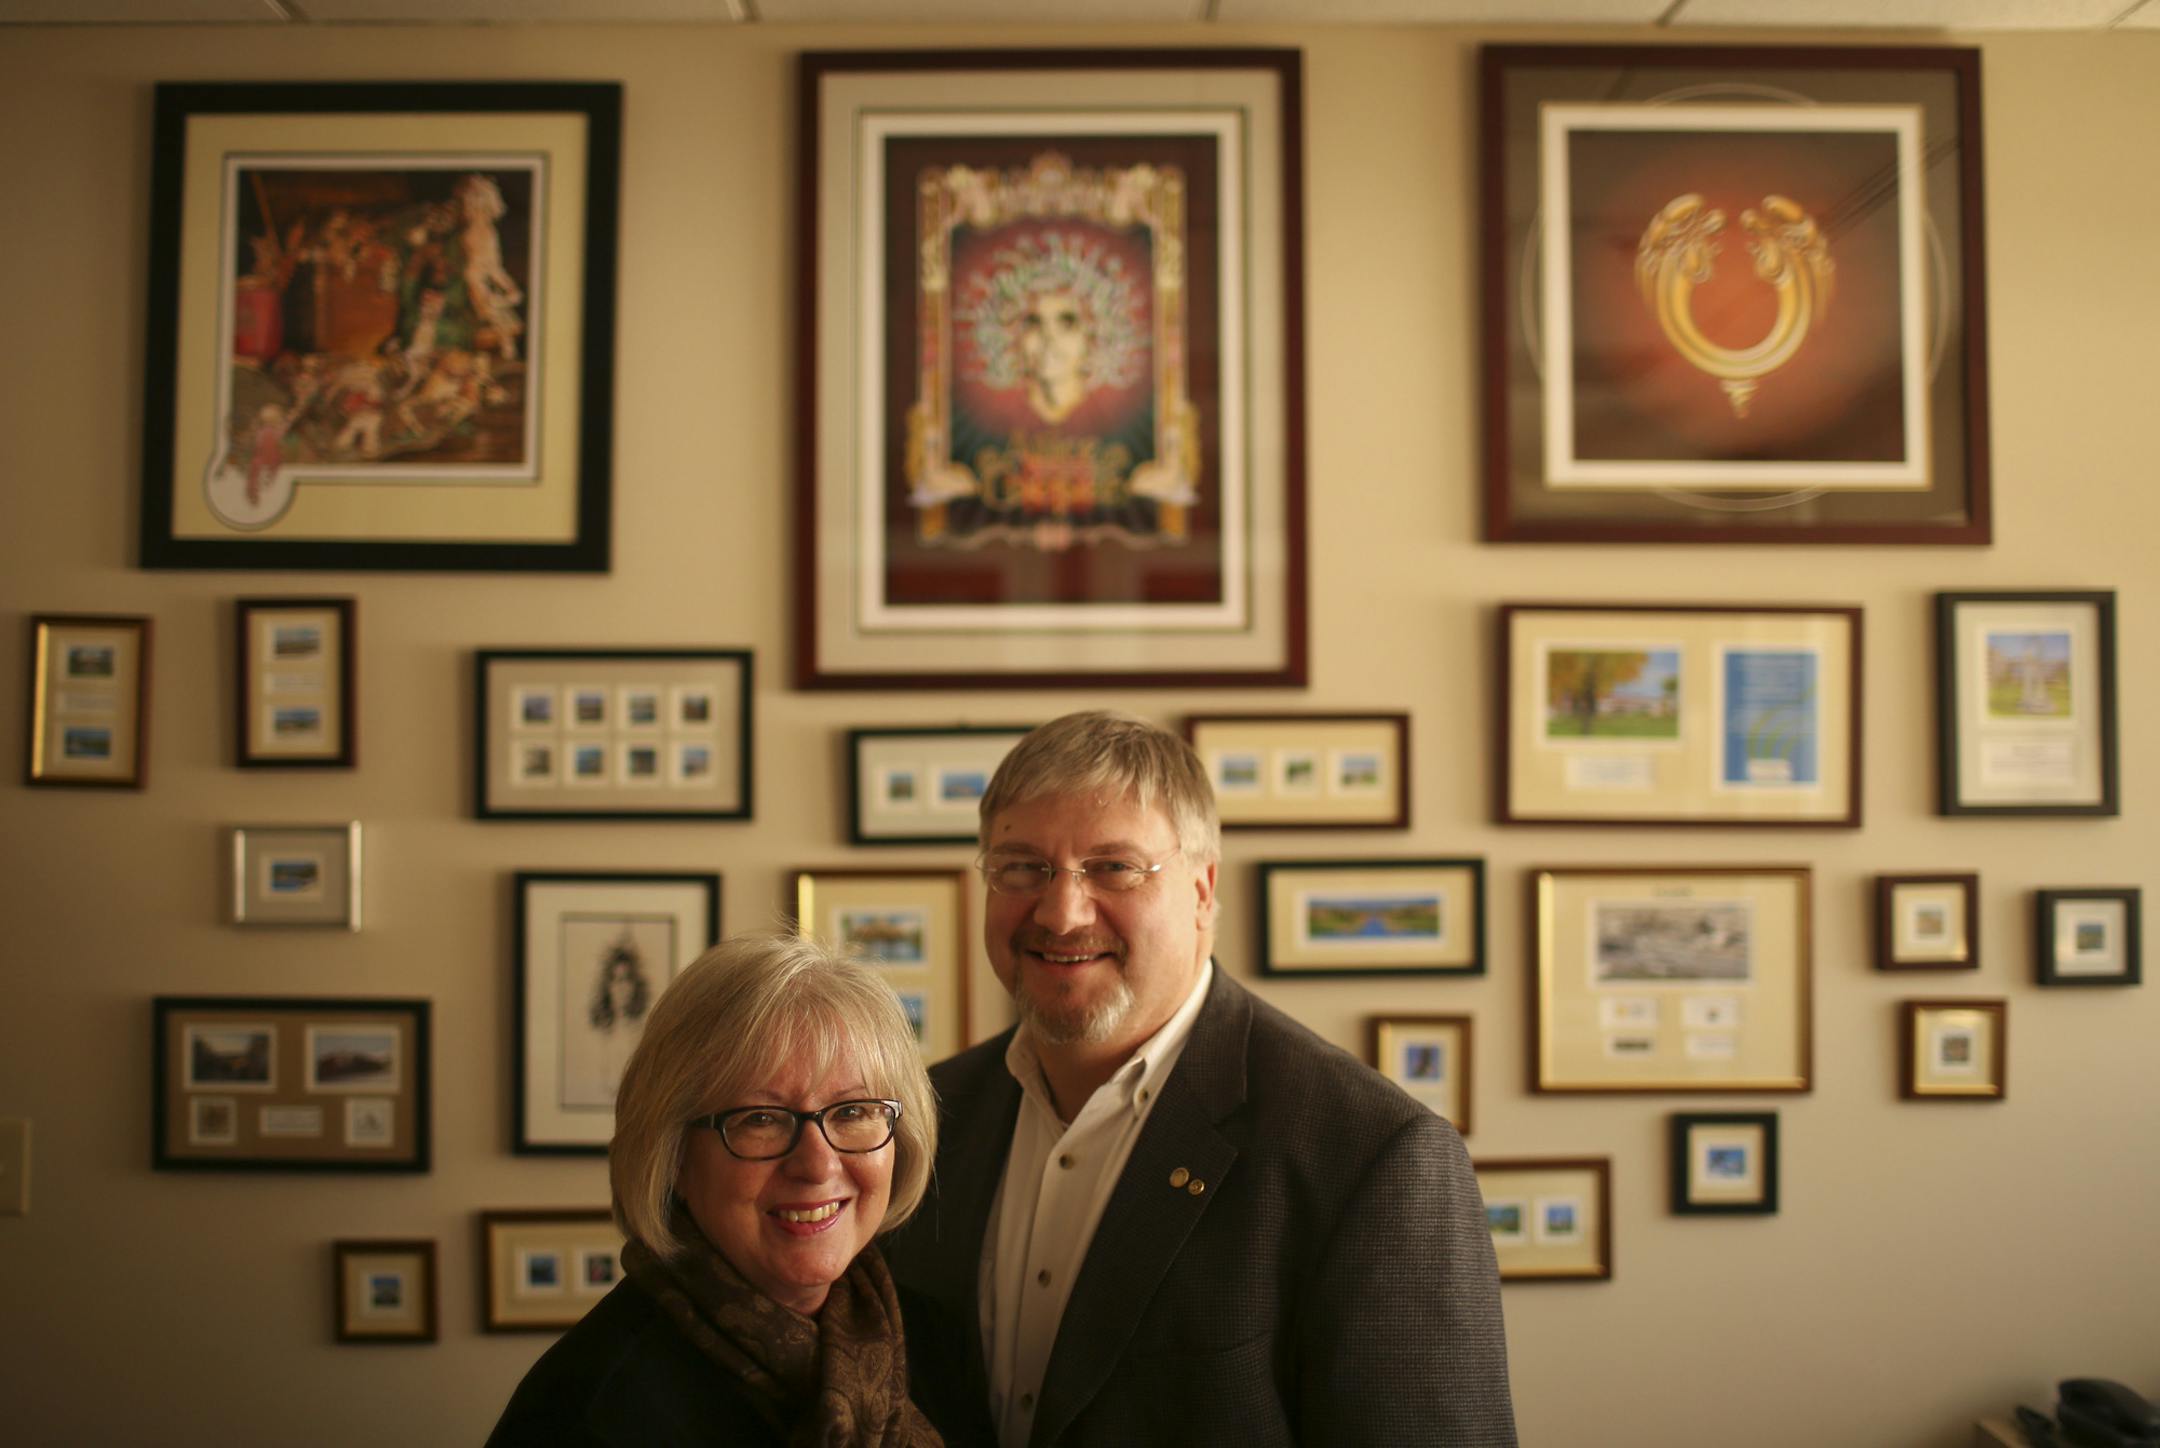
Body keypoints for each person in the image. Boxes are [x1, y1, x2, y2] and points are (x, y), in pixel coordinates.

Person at [884, 711, 1516, 1448]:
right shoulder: (924, 1117)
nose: (1060, 912)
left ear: (1203, 890)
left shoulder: (1373, 1156)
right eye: (1022, 867)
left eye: (1113, 867)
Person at [487, 933, 947, 1447]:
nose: (817, 1165)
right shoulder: (585, 1410)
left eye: (854, 1112)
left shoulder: (935, 1343)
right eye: (760, 1119)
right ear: (674, 1156)